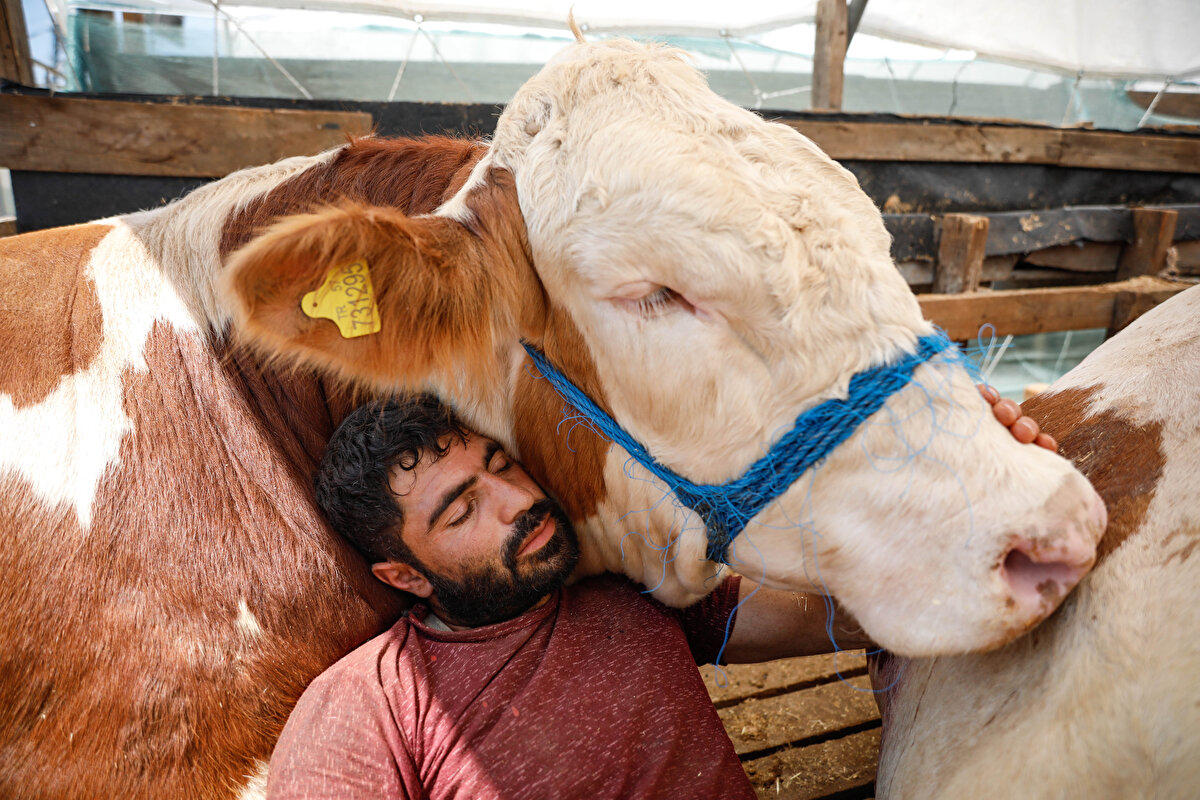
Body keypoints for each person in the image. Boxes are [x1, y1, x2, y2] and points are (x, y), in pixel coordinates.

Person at [267, 390, 1053, 799]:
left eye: (500, 466)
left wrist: (970, 510)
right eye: (461, 510)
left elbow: (844, 613)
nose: (515, 501)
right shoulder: (368, 704)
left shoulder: (627, 588)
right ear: (405, 575)